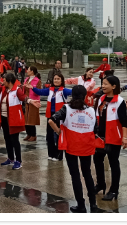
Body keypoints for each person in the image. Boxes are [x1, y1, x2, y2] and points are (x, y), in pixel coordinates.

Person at [48, 84, 101, 214]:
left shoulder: (66, 108)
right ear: (85, 96)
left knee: (75, 175)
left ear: (72, 95)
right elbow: (96, 129)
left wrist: (59, 132)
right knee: (87, 174)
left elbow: (51, 120)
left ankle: (81, 205)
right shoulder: (91, 110)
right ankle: (93, 204)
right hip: (86, 145)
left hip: (71, 145)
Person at [93, 75, 127, 202]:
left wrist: (124, 137)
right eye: (102, 83)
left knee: (113, 163)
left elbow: (124, 121)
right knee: (97, 159)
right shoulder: (101, 99)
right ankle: (100, 184)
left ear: (114, 86)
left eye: (105, 84)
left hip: (113, 137)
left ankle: (114, 190)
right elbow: (96, 116)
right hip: (100, 136)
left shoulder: (120, 101)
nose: (103, 86)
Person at [31, 72, 72, 161]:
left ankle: (59, 156)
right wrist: (32, 87)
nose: (56, 80)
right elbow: (40, 92)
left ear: (62, 80)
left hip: (60, 116)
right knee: (49, 136)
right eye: (55, 79)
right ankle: (51, 154)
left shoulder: (64, 91)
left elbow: (74, 92)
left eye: (58, 79)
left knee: (58, 135)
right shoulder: (50, 90)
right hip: (50, 115)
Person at [0, 71, 26, 169]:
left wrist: (31, 101)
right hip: (4, 118)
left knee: (14, 140)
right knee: (7, 139)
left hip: (13, 119)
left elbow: (23, 97)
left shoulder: (17, 90)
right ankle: (11, 158)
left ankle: (18, 161)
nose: (2, 82)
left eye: (4, 80)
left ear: (9, 81)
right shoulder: (4, 89)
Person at [22, 65, 41, 141]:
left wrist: (33, 88)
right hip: (26, 100)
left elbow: (39, 91)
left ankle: (33, 135)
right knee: (26, 118)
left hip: (34, 101)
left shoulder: (37, 80)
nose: (27, 71)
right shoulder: (26, 79)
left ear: (32, 71)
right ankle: (28, 134)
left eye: (28, 70)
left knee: (31, 119)